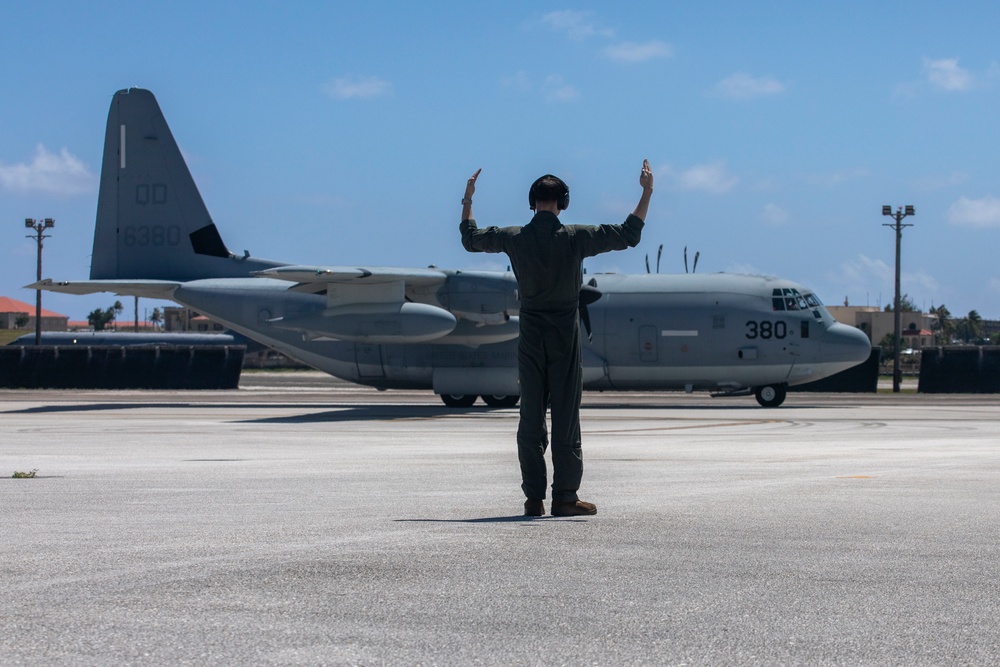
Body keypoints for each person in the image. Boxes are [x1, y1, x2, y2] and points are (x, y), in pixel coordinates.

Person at [460, 160, 654, 517]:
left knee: (530, 415)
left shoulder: (514, 237)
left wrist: (467, 201)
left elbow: (470, 240)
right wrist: (646, 192)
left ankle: (533, 498)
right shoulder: (576, 237)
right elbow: (629, 233)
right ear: (563, 203)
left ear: (532, 202)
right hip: (564, 334)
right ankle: (565, 496)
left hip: (530, 332)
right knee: (565, 415)